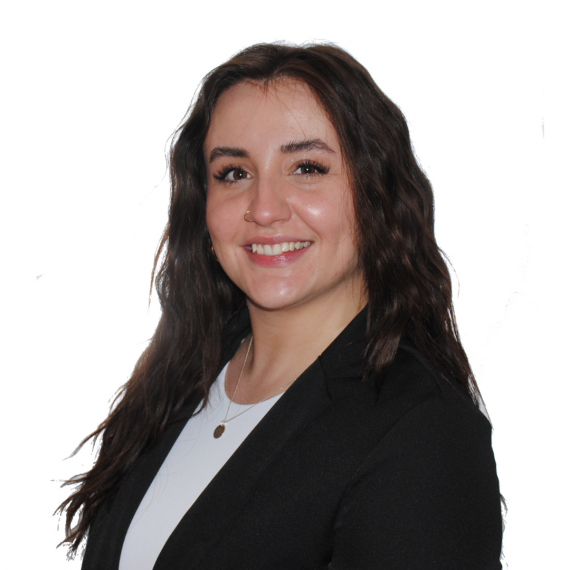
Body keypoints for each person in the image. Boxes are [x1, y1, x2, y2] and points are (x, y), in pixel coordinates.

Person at [58, 42, 503, 569]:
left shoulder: (422, 433)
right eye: (234, 173)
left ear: (377, 192)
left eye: (308, 167)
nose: (264, 209)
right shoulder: (179, 383)